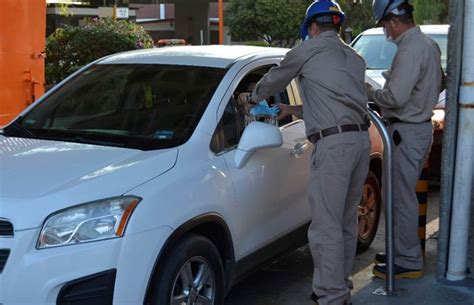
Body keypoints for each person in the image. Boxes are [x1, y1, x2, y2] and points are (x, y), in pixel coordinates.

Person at [239, 1, 370, 304]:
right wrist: (293, 109)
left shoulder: (307, 50)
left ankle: (330, 297)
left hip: (334, 149)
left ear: (311, 27)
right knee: (345, 222)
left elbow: (275, 78)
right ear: (336, 25)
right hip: (359, 141)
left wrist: (251, 96)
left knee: (326, 227)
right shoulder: (354, 57)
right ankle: (338, 287)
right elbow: (339, 101)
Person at [366, 0, 444, 279]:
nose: (386, 31)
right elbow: (439, 82)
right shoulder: (428, 44)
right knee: (401, 196)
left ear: (394, 21)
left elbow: (395, 97)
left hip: (407, 130)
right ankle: (402, 251)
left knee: (401, 199)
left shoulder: (410, 50)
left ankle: (409, 260)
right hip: (415, 128)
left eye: (385, 25)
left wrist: (370, 93)